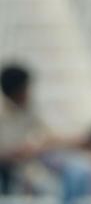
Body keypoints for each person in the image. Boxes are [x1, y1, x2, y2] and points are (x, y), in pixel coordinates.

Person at [0, 64, 53, 194]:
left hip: (24, 167)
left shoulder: (28, 109)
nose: (29, 93)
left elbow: (46, 134)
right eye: (26, 88)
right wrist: (16, 152)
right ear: (17, 90)